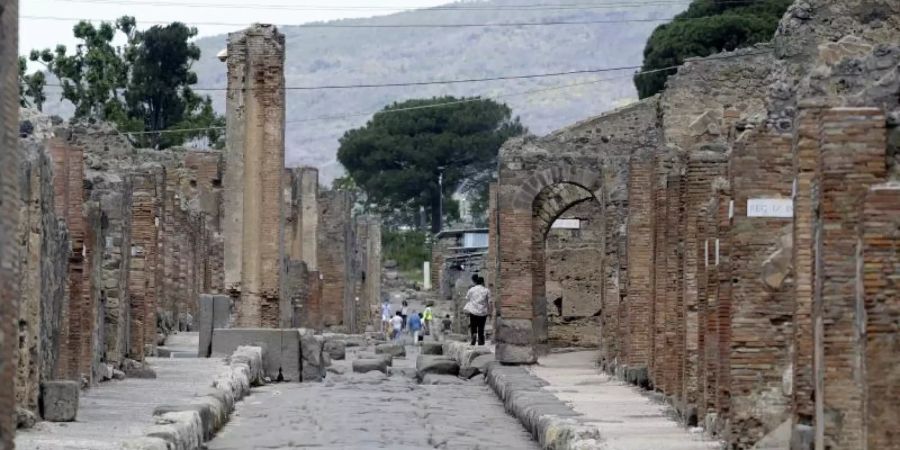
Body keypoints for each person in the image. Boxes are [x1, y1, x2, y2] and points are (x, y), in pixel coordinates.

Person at [463, 275, 492, 346]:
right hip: (483, 312)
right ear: (482, 282)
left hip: (473, 311)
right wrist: (490, 312)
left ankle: (474, 335)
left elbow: (467, 298)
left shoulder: (471, 290)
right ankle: (481, 341)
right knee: (481, 327)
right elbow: (490, 302)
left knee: (473, 325)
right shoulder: (486, 290)